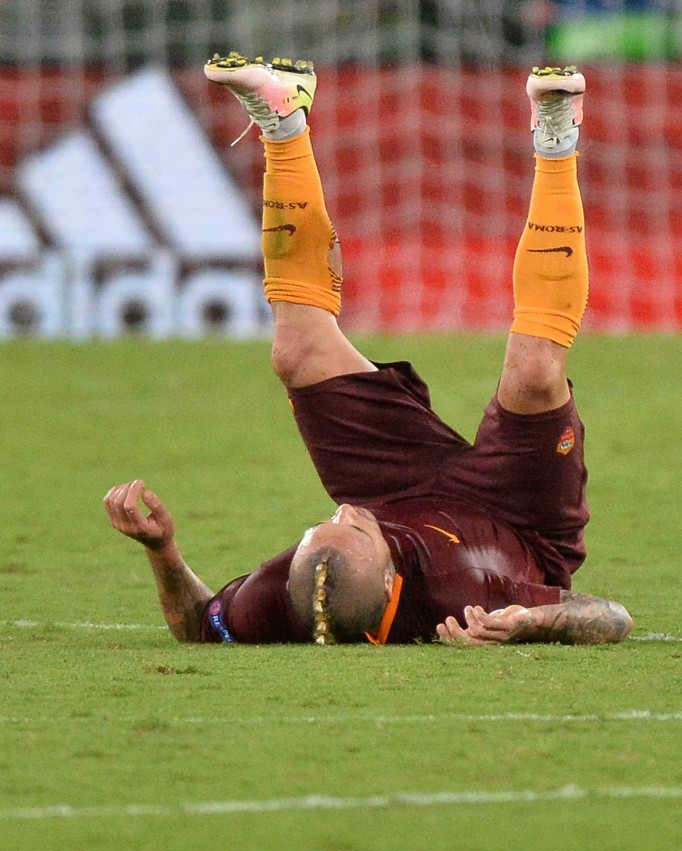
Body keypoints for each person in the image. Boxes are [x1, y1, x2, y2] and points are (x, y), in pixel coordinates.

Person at [104, 56, 633, 647]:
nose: (346, 513)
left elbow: (203, 624)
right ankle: (557, 140)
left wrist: (163, 550)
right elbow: (612, 618)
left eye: (323, 524)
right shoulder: (463, 595)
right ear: (389, 581)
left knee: (296, 353)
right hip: (517, 514)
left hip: (397, 487)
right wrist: (534, 621)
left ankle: (284, 123)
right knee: (534, 373)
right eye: (353, 529)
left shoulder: (293, 589)